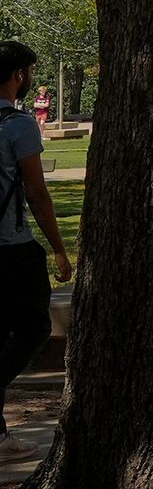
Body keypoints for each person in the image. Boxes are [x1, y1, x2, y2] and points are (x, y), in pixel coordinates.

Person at [1, 42, 70, 464]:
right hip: (10, 247)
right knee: (33, 329)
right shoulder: (19, 124)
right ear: (20, 75)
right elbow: (36, 191)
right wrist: (59, 249)